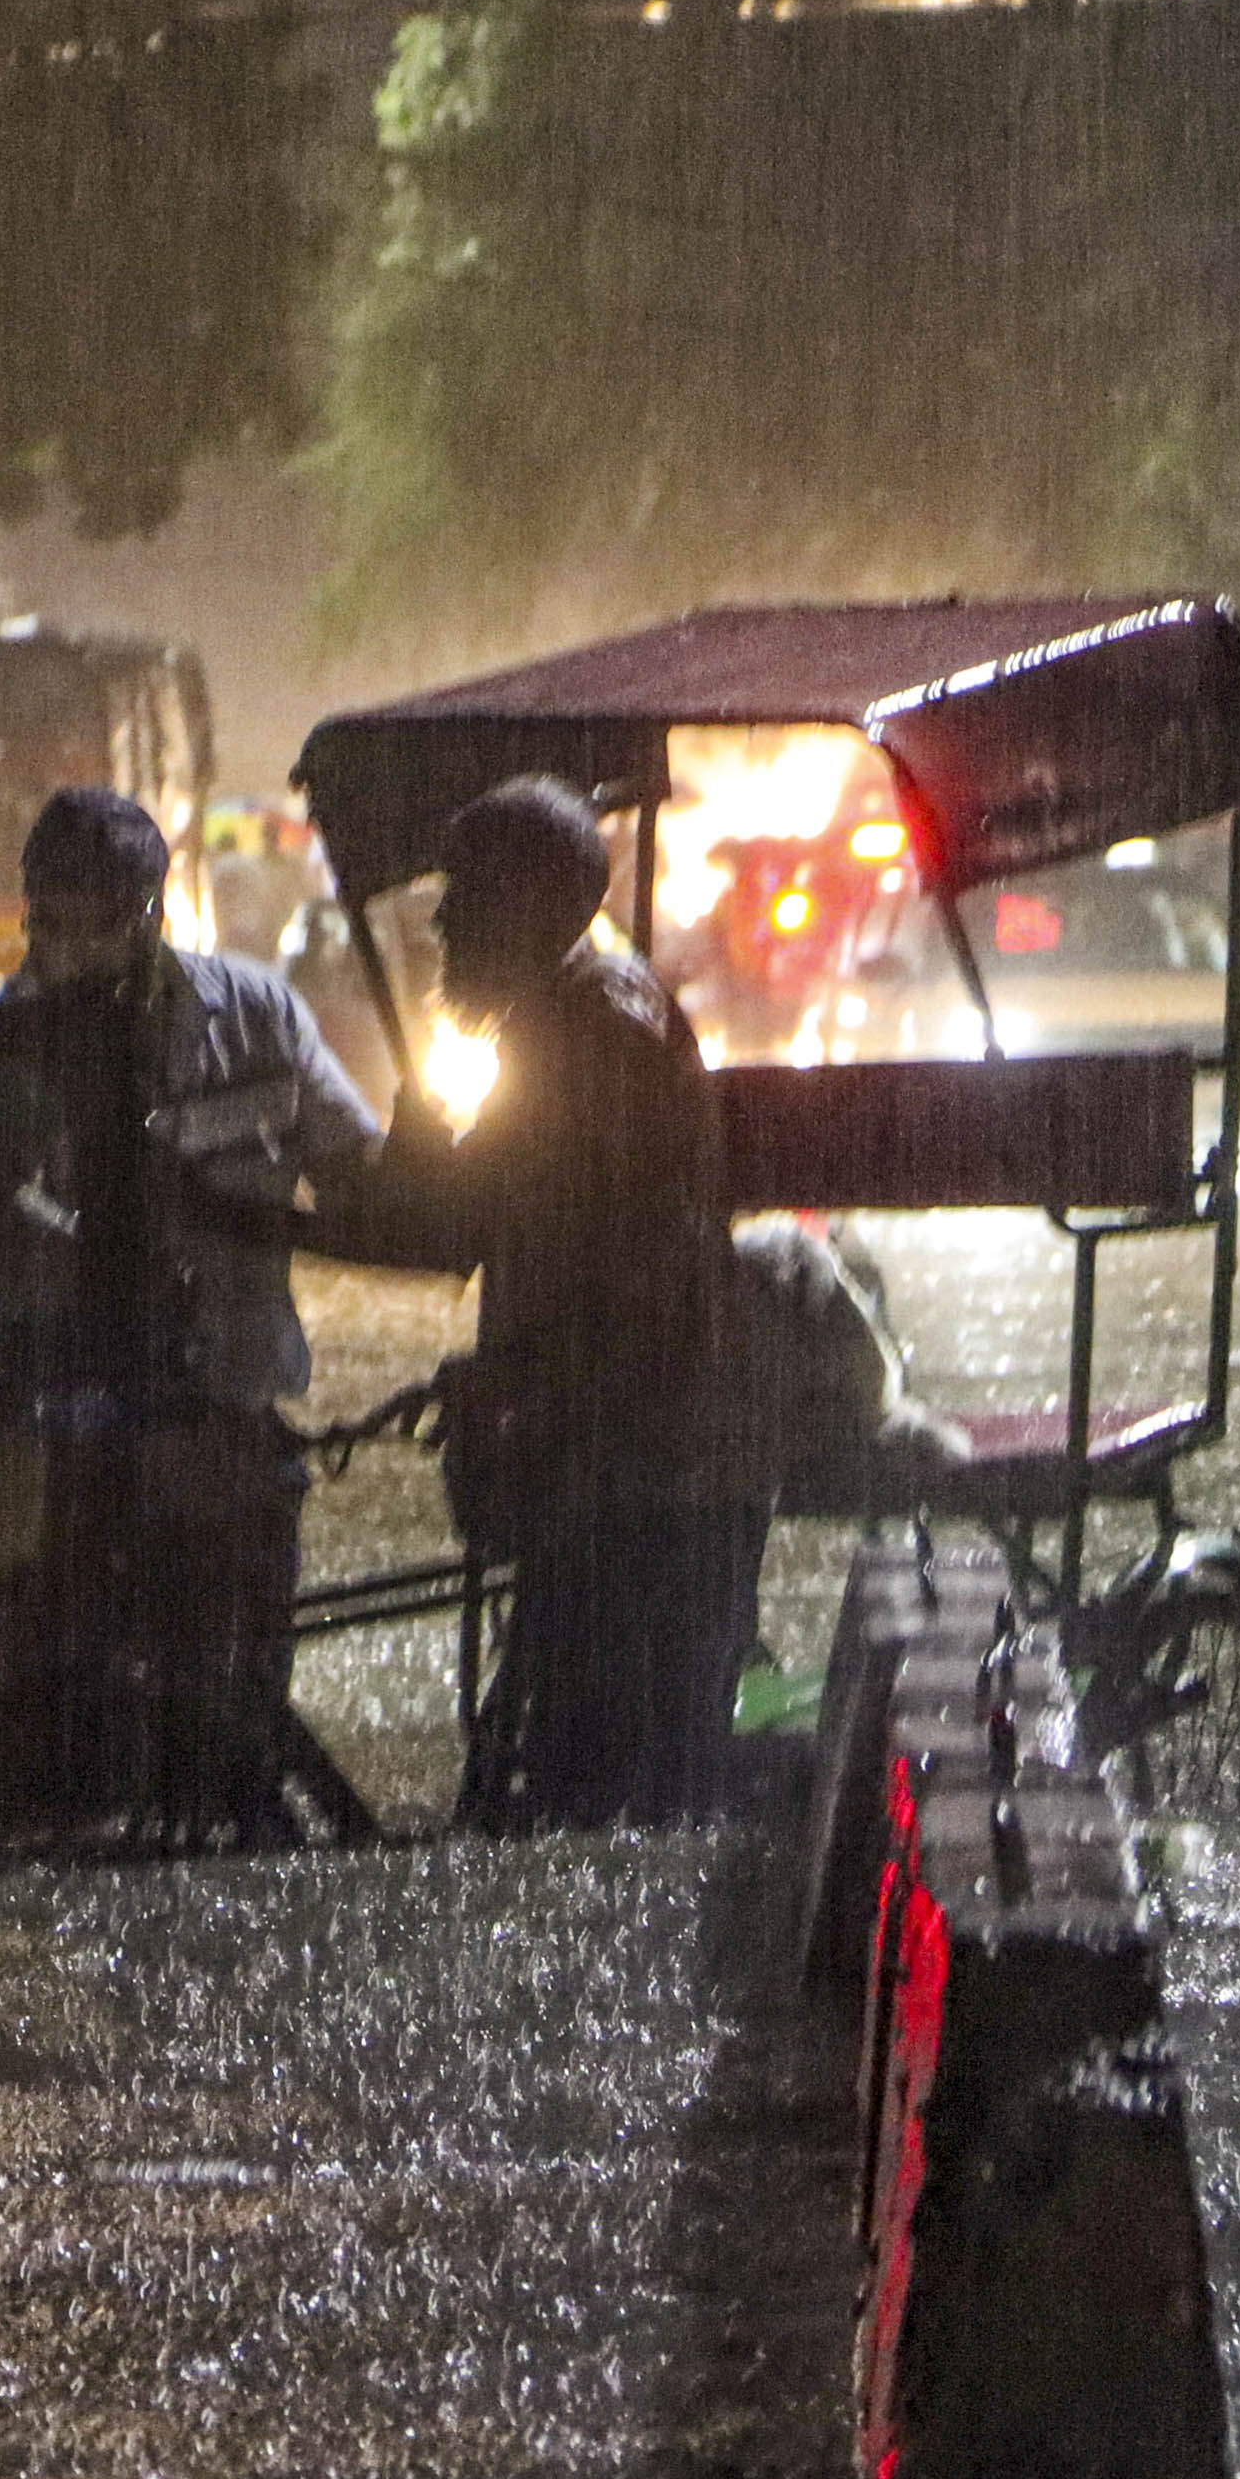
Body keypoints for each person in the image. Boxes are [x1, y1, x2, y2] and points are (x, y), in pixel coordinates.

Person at [0, 786, 380, 1832]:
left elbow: (359, 1173)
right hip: (66, 1451)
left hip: (229, 1428)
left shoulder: (257, 1018)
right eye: (53, 923)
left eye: (103, 921)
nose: (75, 950)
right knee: (78, 1749)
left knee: (234, 1739)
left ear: (154, 912)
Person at [353, 776, 766, 1829]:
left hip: (640, 1478)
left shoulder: (589, 1039)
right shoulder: (560, 1024)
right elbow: (463, 1223)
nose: (442, 921)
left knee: (597, 1803)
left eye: (466, 896)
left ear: (537, 904)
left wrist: (508, 1380)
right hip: (601, 1453)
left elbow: (625, 1285)